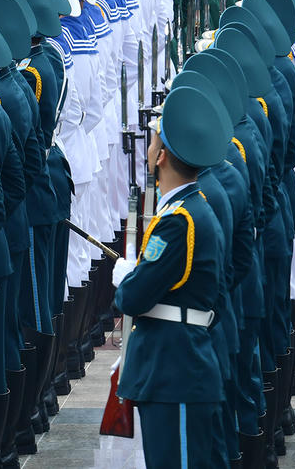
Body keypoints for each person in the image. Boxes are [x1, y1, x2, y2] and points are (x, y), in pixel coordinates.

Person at [111, 84, 229, 468]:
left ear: (160, 157)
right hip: (180, 366)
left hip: (174, 373)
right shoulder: (195, 209)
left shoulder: (177, 222)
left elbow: (134, 298)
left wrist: (128, 279)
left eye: (151, 144)